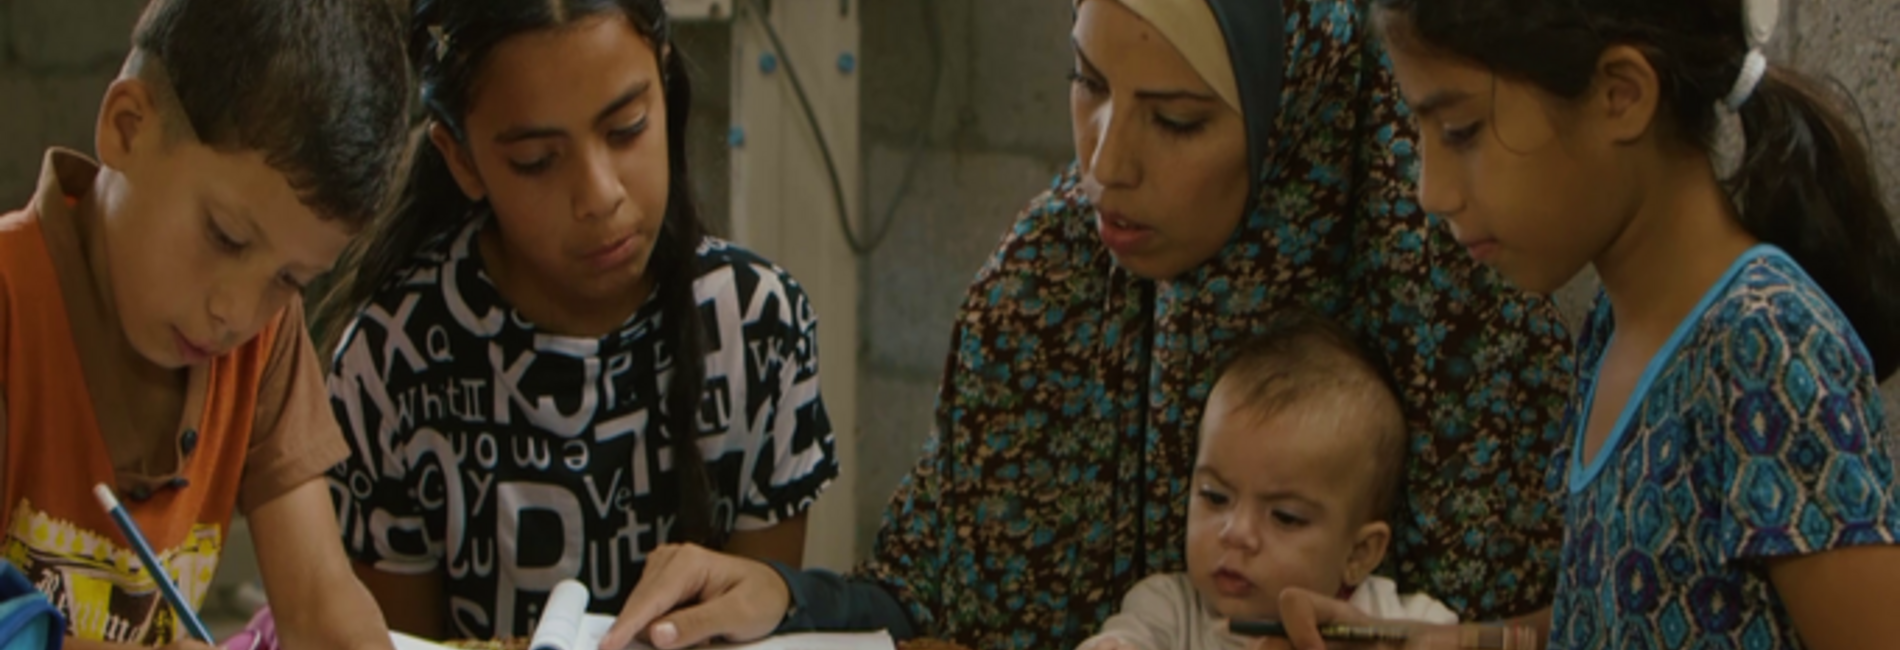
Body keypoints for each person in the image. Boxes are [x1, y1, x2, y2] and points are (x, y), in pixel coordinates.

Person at [599, 1, 1577, 649]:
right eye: (1088, 84)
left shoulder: (1451, 313)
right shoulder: (1043, 291)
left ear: (1293, 124)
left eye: (1179, 120)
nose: (1105, 165)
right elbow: (943, 592)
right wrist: (792, 596)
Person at [1260, 0, 1900, 647]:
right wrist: (1458, 642)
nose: (1431, 191)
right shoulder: (1611, 328)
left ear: (1620, 95)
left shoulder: (1764, 340)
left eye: (1460, 131)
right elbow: (1616, 618)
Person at [313, 0, 838, 643]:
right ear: (462, 159)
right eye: (536, 160)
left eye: (627, 128)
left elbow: (757, 624)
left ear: (664, 84)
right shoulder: (391, 361)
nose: (600, 195)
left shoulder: (761, 329)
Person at [0, 0, 412, 648]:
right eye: (224, 236)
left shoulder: (263, 342)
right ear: (128, 127)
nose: (236, 313)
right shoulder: (9, 306)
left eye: (289, 280)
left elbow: (318, 601)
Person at [1077, 311, 1459, 650]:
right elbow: (1130, 637)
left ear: (1359, 553)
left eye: (1286, 517)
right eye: (1214, 496)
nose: (1236, 532)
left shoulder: (1399, 624)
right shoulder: (1169, 610)